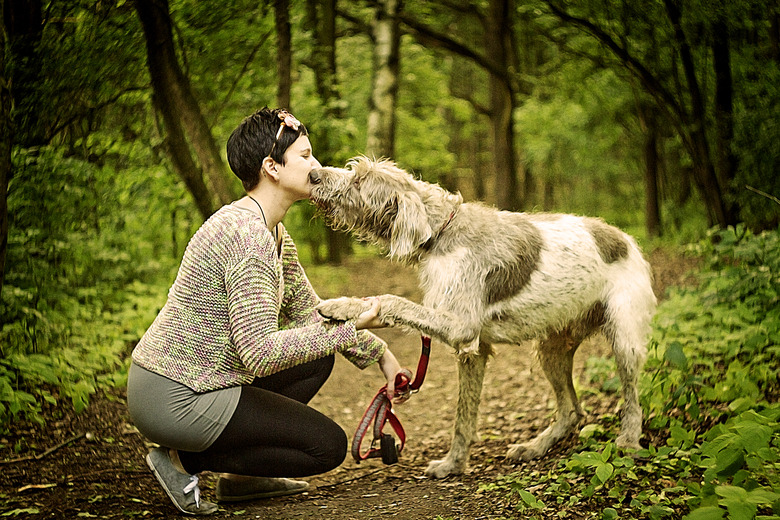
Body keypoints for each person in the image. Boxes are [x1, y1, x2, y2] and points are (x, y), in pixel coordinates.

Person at [127, 107, 407, 515]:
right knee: (324, 448)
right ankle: (181, 461)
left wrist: (382, 355)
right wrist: (352, 329)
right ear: (271, 167)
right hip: (175, 394)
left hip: (203, 380)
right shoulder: (247, 236)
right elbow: (257, 351)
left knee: (317, 358)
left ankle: (242, 480)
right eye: (306, 156)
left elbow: (313, 314)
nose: (318, 166)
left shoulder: (272, 231)